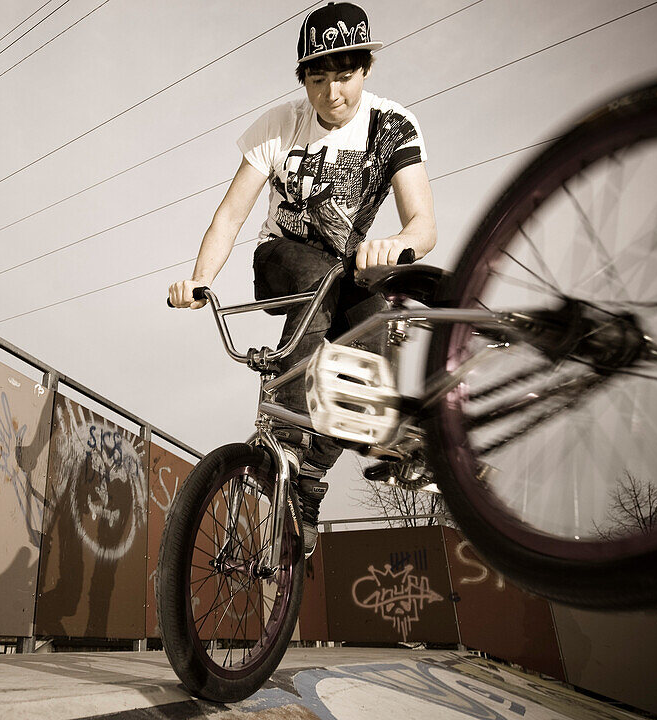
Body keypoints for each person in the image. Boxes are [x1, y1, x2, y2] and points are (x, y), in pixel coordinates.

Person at [168, 2, 437, 555]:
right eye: (318, 79)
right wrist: (198, 279)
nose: (332, 94)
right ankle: (289, 445)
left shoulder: (393, 125)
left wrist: (398, 244)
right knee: (314, 286)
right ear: (303, 78)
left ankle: (314, 477)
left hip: (353, 267)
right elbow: (230, 215)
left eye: (344, 77)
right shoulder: (279, 125)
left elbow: (424, 222)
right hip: (282, 258)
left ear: (365, 70)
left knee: (371, 343)